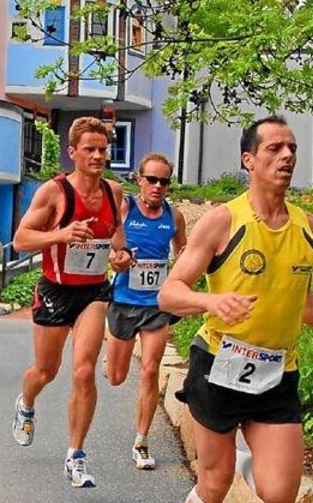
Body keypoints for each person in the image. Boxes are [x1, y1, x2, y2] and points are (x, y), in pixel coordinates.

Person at [158, 116, 313, 503]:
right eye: (274, 148)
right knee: (215, 482)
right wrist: (211, 300)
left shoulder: (311, 227)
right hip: (218, 365)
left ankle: (253, 459)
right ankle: (239, 460)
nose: (287, 156)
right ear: (249, 160)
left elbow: (301, 298)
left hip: (277, 373)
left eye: (292, 148)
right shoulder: (222, 221)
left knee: (280, 493)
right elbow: (170, 293)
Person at [10, 116, 135, 488]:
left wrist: (122, 256)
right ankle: (26, 403)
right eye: (90, 149)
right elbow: (20, 240)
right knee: (45, 372)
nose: (98, 155)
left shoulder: (114, 192)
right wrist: (62, 234)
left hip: (93, 292)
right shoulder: (54, 192)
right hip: (55, 291)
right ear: (73, 153)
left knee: (83, 371)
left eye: (103, 148)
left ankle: (75, 455)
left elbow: (117, 240)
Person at [103, 153, 187, 470]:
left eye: (163, 181)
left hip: (155, 306)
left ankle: (141, 441)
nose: (157, 186)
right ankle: (109, 359)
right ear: (139, 179)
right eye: (151, 179)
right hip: (124, 301)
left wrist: (182, 280)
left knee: (150, 370)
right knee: (115, 377)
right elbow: (111, 248)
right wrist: (116, 259)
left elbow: (183, 251)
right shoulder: (125, 207)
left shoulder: (173, 216)